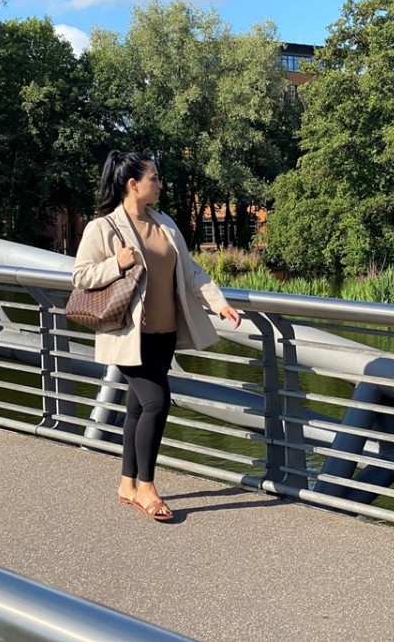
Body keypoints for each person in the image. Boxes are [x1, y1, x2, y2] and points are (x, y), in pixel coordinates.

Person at [72, 150, 241, 522]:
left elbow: (191, 270)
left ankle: (127, 483)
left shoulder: (164, 223)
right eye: (154, 179)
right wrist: (117, 263)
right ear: (133, 185)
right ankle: (147, 487)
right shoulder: (102, 228)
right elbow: (80, 276)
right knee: (156, 403)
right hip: (130, 334)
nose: (160, 184)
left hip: (165, 331)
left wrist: (220, 303)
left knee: (137, 406)